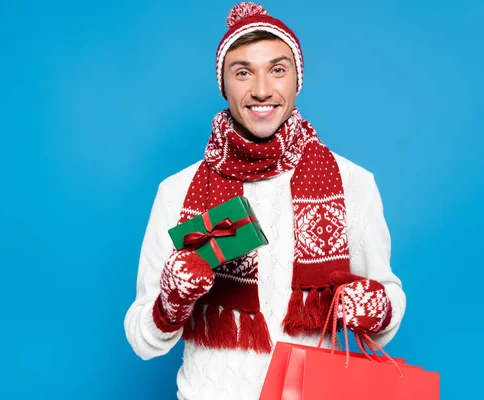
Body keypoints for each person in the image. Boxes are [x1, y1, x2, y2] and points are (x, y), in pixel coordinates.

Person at [124, 2, 406, 399]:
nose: (261, 89)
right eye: (243, 72)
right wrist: (171, 300)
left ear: (297, 79)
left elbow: (387, 304)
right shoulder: (177, 191)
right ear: (224, 84)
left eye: (277, 69)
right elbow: (142, 339)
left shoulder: (352, 183)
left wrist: (378, 307)